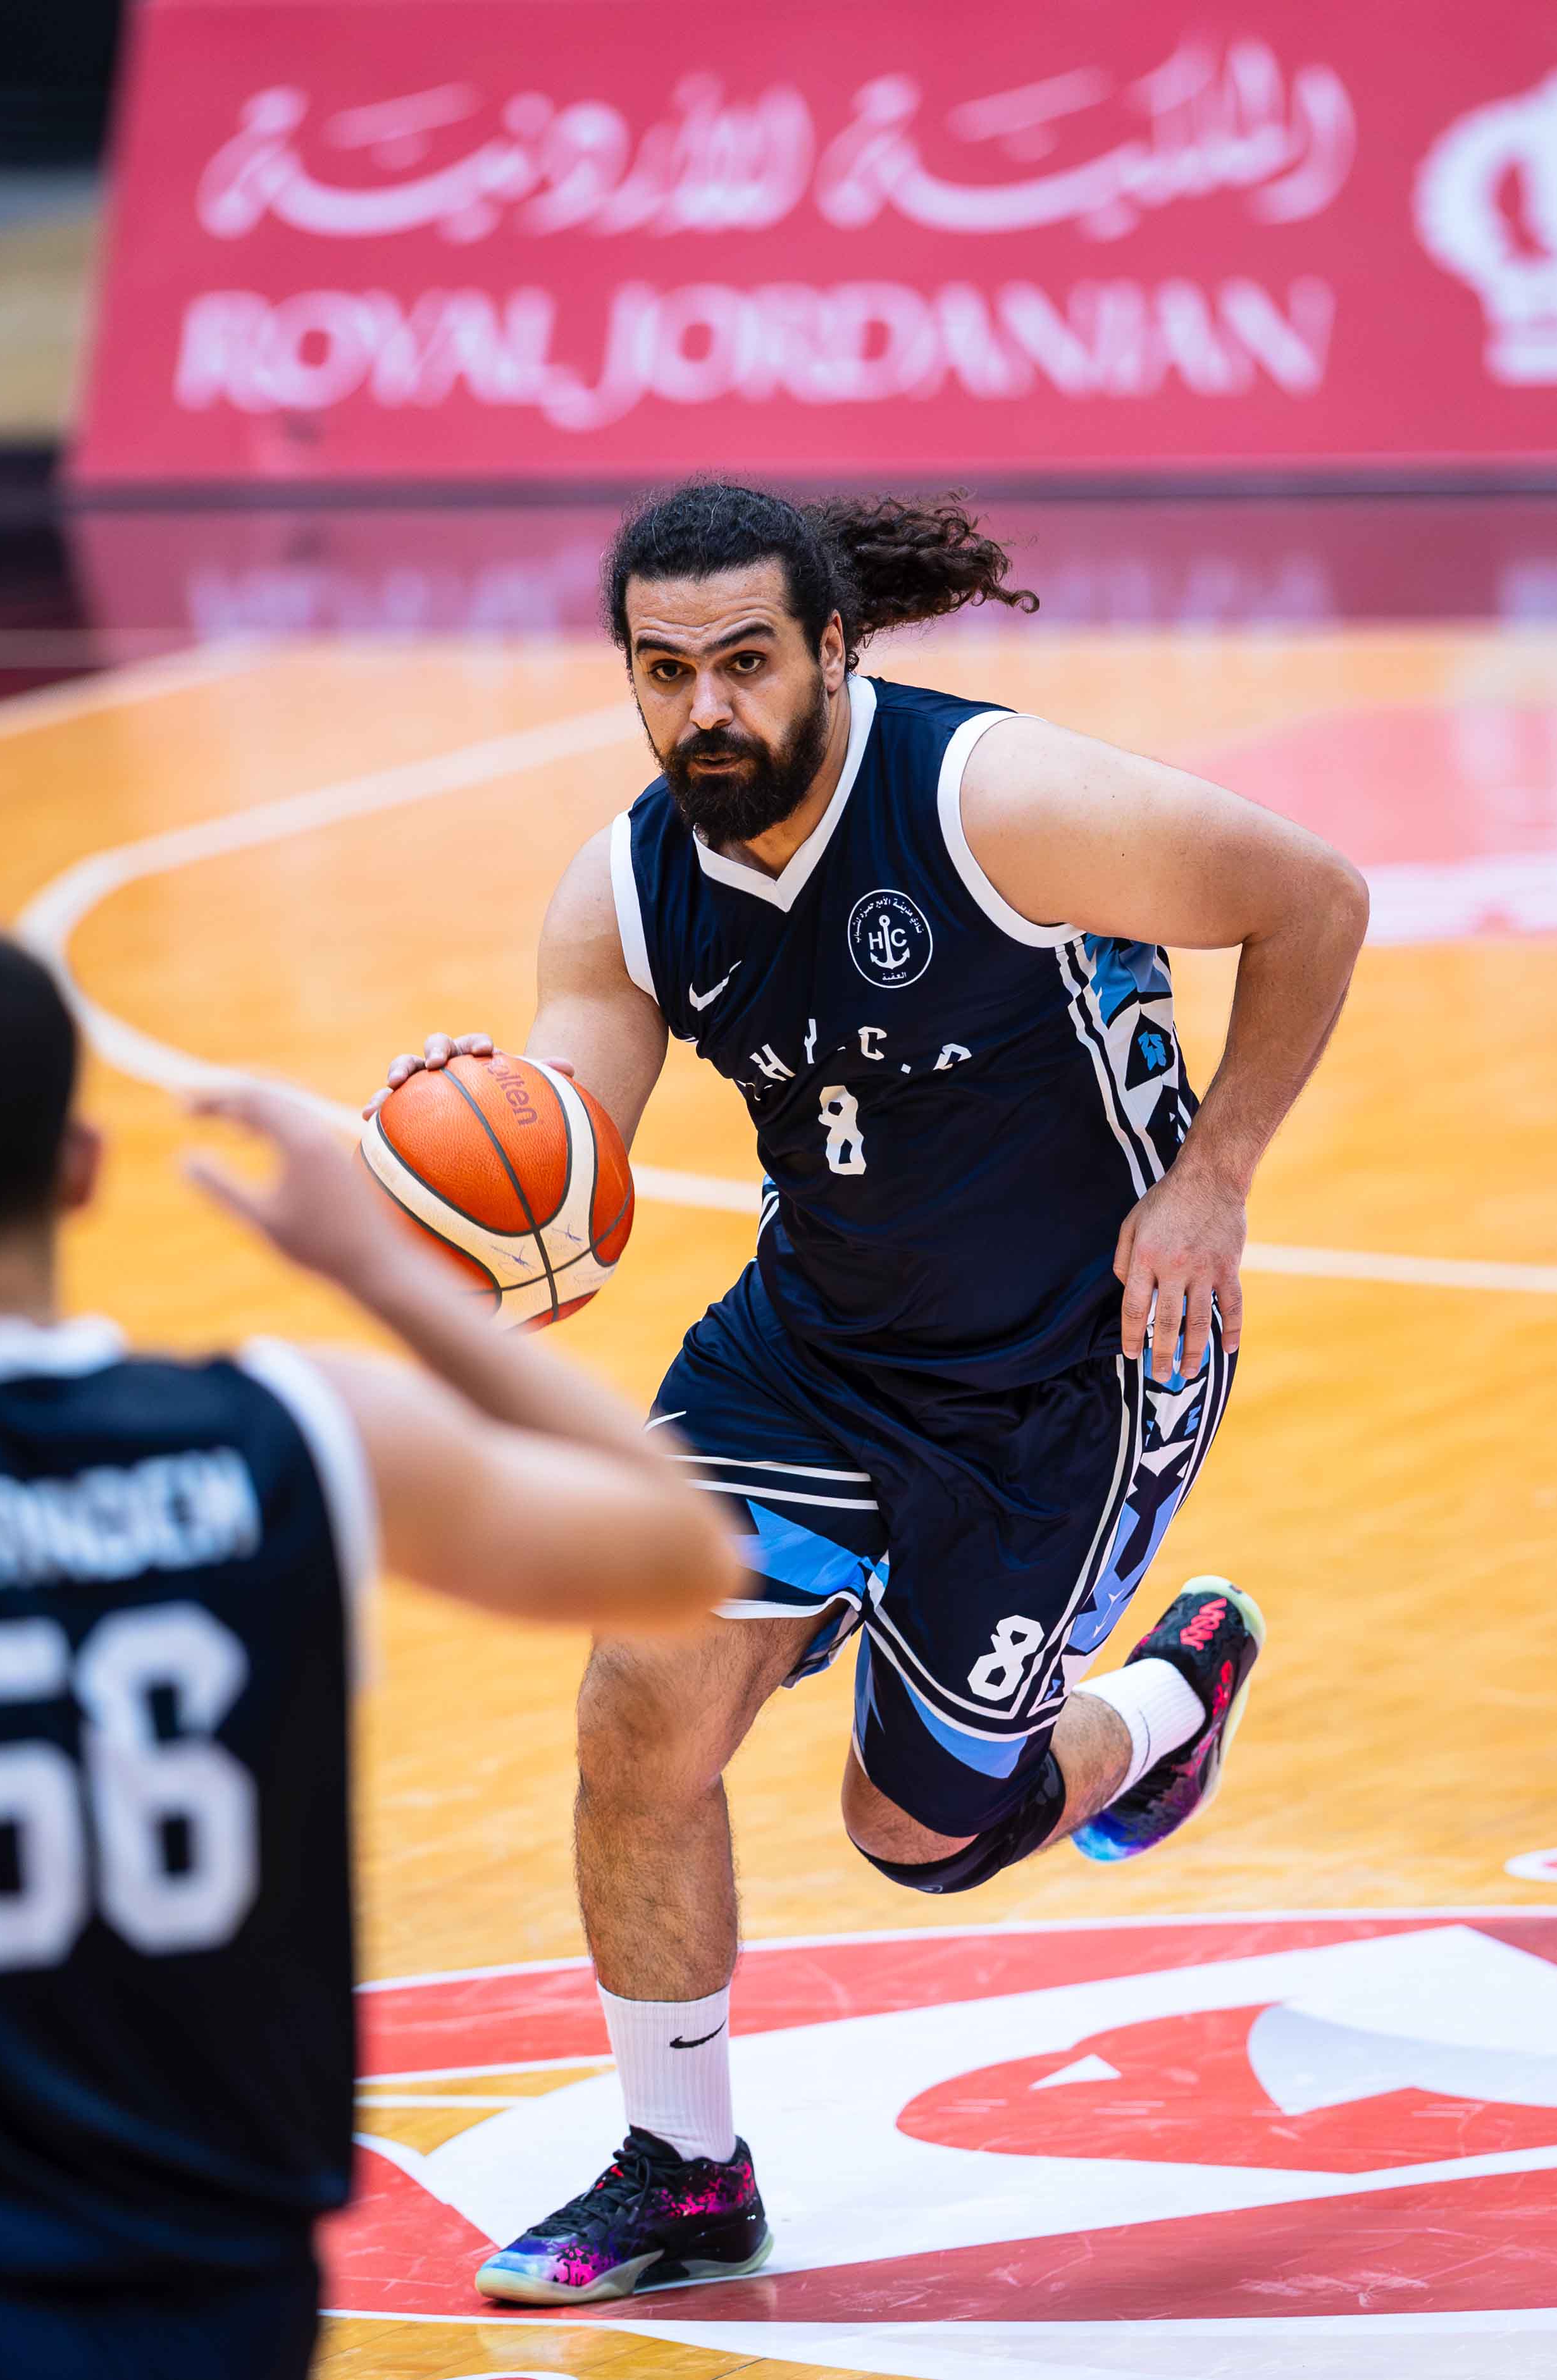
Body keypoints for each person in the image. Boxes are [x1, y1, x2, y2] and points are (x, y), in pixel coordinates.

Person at [366, 482, 1370, 2305]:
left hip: (1073, 1368)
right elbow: (564, 1184)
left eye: (745, 661)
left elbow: (1312, 896)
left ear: (832, 650)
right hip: (808, 1356)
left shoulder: (993, 801)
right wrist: (468, 1151)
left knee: (914, 1831)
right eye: (662, 671)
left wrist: (1210, 1179)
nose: (705, 709)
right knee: (636, 1711)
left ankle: (1160, 1706)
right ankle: (684, 2170)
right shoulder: (627, 889)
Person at [0, 930, 739, 2379]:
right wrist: (388, 1267)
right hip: (229, 2306)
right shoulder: (293, 1435)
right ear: (81, 1167)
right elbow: (684, 1544)